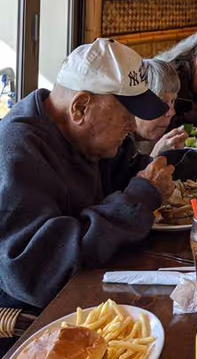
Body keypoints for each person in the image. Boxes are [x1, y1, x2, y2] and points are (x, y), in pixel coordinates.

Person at [0, 39, 175, 323]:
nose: (133, 125)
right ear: (81, 107)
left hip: (97, 289)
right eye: (126, 113)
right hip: (42, 321)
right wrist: (141, 196)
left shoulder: (89, 139)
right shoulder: (17, 151)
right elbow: (39, 272)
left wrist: (156, 176)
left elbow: (128, 177)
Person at [99, 58, 197, 195]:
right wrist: (152, 161)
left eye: (173, 101)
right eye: (162, 103)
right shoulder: (113, 147)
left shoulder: (147, 139)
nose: (171, 112)